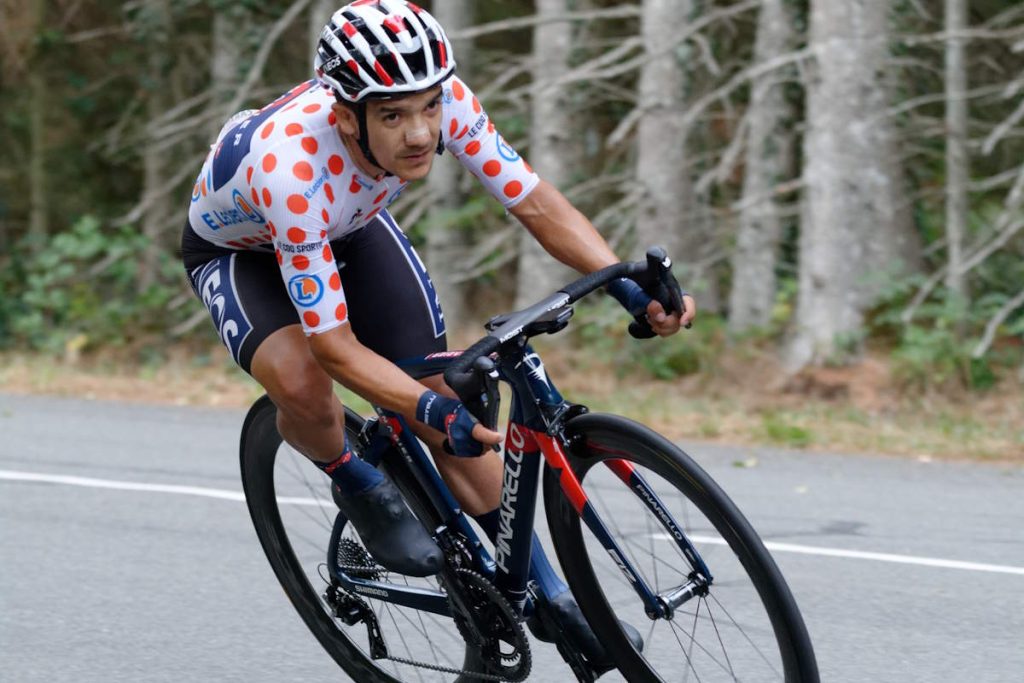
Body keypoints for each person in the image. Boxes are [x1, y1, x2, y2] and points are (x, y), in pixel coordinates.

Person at [181, 0, 695, 667]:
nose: (421, 132)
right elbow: (335, 346)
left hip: (345, 225)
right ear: (345, 115)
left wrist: (624, 280)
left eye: (428, 107)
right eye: (393, 115)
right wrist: (425, 411)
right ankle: (352, 475)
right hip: (240, 250)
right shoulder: (292, 169)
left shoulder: (441, 97)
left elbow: (534, 201)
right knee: (308, 383)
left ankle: (551, 596)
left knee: (441, 390)